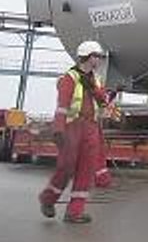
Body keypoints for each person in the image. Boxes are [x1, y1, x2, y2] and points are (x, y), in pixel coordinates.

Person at [38, 40, 114, 224]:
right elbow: (62, 106)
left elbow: (102, 100)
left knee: (86, 170)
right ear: (89, 57)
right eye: (98, 56)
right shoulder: (69, 78)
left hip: (91, 128)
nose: (100, 60)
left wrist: (111, 97)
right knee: (66, 167)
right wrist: (58, 129)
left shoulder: (94, 80)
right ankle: (48, 199)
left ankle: (75, 212)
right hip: (73, 127)